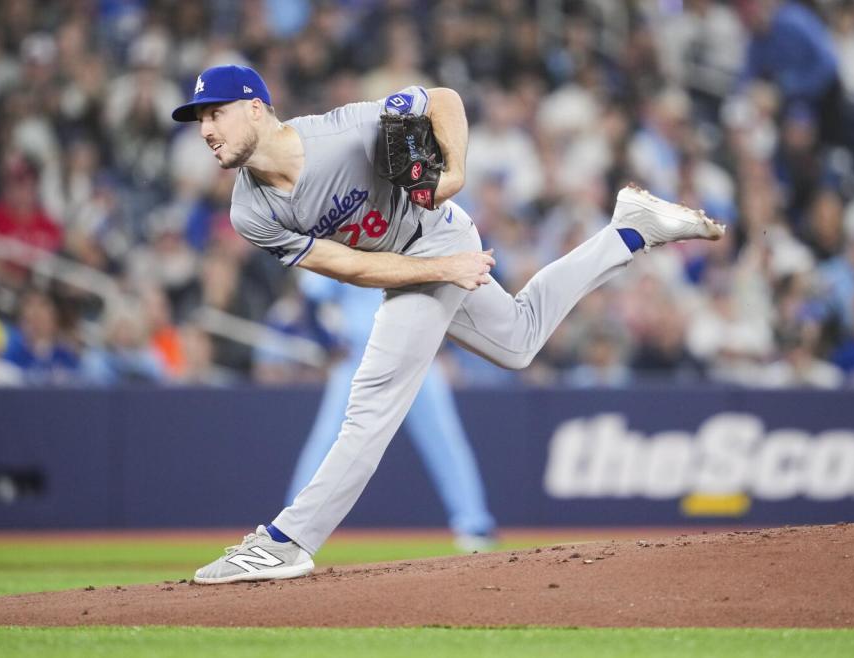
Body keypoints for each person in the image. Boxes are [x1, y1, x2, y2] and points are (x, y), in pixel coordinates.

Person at [171, 65, 724, 584]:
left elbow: (442, 99)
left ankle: (288, 540)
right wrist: (442, 270)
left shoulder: (339, 132)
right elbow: (347, 265)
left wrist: (454, 174)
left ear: (256, 108)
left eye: (215, 112)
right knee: (519, 341)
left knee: (372, 402)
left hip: (434, 236)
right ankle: (630, 231)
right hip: (421, 262)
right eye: (200, 119)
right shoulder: (249, 211)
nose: (206, 129)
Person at [286, 270, 496, 551]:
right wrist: (329, 345)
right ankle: (289, 530)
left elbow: (449, 296)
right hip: (360, 357)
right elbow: (311, 297)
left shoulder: (419, 240)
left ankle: (475, 524)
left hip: (416, 356)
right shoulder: (348, 238)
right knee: (326, 442)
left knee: (446, 442)